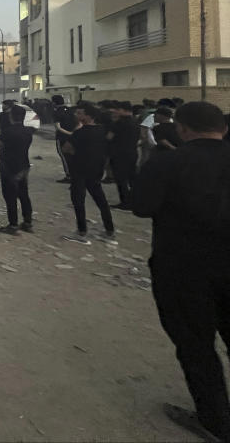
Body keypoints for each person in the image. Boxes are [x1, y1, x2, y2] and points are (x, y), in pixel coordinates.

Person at [132, 102, 230, 442]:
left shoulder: (167, 162)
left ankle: (216, 421)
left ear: (182, 129)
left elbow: (141, 206)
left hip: (183, 268)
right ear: (224, 129)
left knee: (196, 345)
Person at [61, 102, 115, 245]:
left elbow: (66, 148)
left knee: (78, 200)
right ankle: (109, 229)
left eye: (80, 113)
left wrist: (77, 152)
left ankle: (81, 230)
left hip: (80, 169)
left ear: (88, 116)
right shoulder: (102, 130)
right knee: (100, 199)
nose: (76, 115)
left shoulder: (80, 132)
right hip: (96, 169)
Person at [0, 105, 34, 234]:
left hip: (9, 166)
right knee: (24, 195)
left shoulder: (8, 131)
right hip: (23, 166)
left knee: (10, 196)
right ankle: (27, 222)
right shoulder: (28, 131)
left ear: (11, 116)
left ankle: (13, 225)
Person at [107, 101, 139, 210]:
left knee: (121, 179)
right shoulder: (135, 121)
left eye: (117, 109)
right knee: (132, 178)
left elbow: (109, 137)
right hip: (132, 152)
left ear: (122, 110)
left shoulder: (119, 123)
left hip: (119, 153)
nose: (116, 111)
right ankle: (136, 200)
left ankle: (125, 202)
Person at [52, 95, 74, 183]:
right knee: (71, 156)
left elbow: (58, 127)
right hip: (72, 137)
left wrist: (68, 133)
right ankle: (74, 174)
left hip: (62, 137)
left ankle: (69, 176)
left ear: (54, 102)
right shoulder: (70, 110)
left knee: (64, 156)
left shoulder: (57, 112)